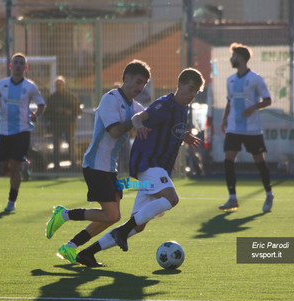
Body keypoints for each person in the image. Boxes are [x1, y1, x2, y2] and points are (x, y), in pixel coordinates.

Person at [75, 68, 205, 266]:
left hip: (158, 166)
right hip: (147, 162)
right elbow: (139, 117)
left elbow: (170, 133)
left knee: (139, 225)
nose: (193, 94)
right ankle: (121, 230)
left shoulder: (183, 109)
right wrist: (139, 124)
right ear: (179, 85)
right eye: (191, 89)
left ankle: (87, 253)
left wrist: (184, 136)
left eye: (196, 91)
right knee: (172, 198)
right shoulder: (165, 104)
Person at [46, 59, 151, 265]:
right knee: (111, 213)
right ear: (126, 78)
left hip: (110, 168)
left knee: (112, 217)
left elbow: (151, 122)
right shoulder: (110, 99)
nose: (140, 88)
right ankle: (64, 214)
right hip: (95, 165)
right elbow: (114, 131)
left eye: (144, 85)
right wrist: (136, 121)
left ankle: (70, 247)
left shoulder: (136, 106)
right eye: (138, 82)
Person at [0, 52, 45, 211]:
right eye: (15, 63)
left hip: (22, 131)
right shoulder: (1, 84)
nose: (18, 66)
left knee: (15, 169)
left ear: (25, 67)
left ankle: (11, 203)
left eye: (21, 63)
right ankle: (21, 165)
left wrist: (35, 115)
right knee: (2, 169)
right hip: (4, 132)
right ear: (11, 66)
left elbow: (41, 104)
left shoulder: (30, 87)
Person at [218, 42, 273, 212]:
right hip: (234, 128)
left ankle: (269, 194)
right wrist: (225, 118)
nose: (231, 58)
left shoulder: (256, 79)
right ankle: (232, 198)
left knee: (259, 162)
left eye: (233, 55)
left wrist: (253, 107)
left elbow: (267, 100)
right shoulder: (230, 80)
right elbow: (230, 100)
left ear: (241, 58)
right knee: (228, 160)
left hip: (252, 130)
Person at [45, 76, 81, 170]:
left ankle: (73, 166)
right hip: (56, 126)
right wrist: (55, 112)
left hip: (69, 125)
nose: (59, 86)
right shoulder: (51, 98)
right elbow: (46, 113)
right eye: (57, 85)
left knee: (71, 146)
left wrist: (69, 112)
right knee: (56, 147)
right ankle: (57, 166)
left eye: (60, 84)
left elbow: (78, 110)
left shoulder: (71, 97)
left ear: (64, 85)